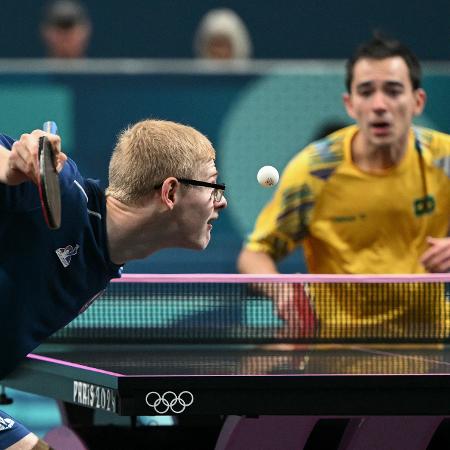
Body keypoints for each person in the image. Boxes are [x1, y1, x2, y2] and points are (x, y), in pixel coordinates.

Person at [0, 119, 227, 448]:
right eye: (213, 185)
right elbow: (21, 164)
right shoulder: (66, 198)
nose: (221, 201)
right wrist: (9, 165)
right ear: (171, 192)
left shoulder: (105, 259)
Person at [238, 34, 450, 337]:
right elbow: (254, 254)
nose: (379, 105)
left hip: (430, 338)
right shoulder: (314, 171)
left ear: (417, 101)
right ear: (350, 105)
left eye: (393, 91)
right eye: (366, 92)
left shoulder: (444, 158)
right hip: (338, 343)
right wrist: (280, 290)